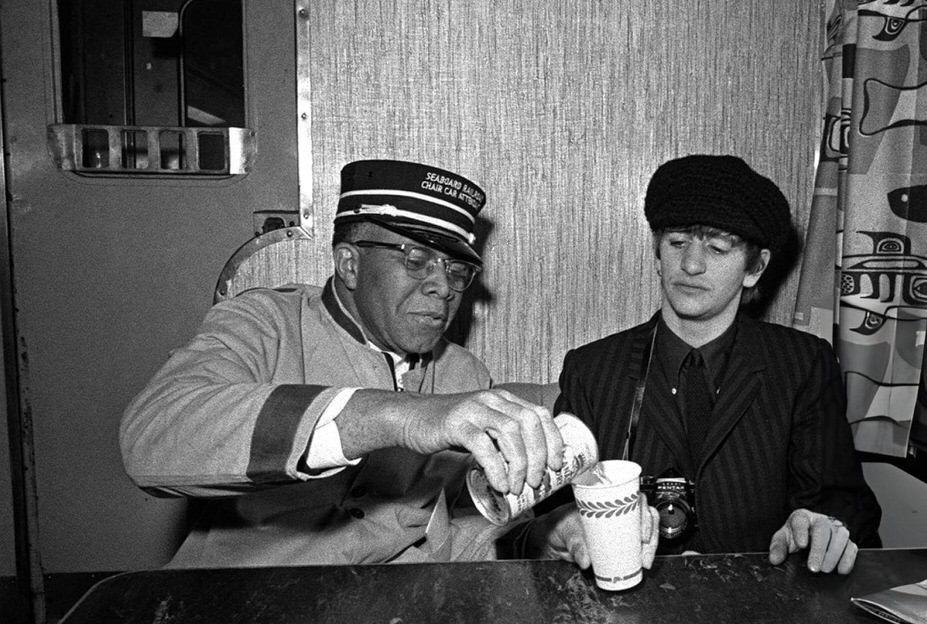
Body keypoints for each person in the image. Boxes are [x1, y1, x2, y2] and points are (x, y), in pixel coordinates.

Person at [120, 158, 645, 568]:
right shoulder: (265, 323)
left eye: (456, 271)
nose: (442, 286)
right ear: (350, 262)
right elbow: (151, 435)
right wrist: (397, 415)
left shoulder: (463, 376)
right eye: (415, 260)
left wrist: (544, 535)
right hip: (241, 617)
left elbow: (470, 531)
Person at [539, 154, 881, 574]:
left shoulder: (803, 364)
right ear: (657, 252)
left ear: (755, 268)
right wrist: (565, 530)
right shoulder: (591, 369)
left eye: (718, 247)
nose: (692, 264)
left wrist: (817, 526)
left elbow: (846, 504)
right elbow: (547, 521)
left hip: (757, 606)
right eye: (677, 242)